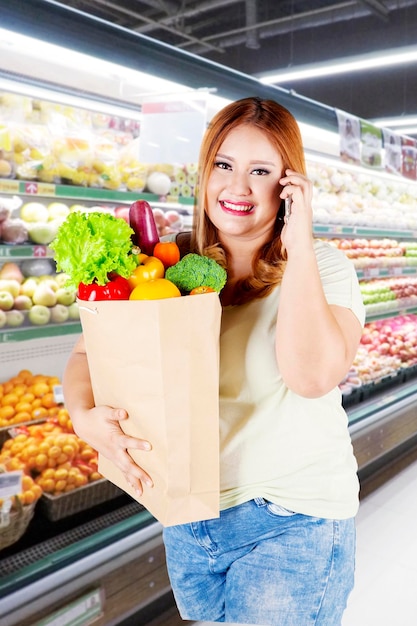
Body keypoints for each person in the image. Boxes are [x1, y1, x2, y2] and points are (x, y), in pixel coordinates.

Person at [63, 97, 365, 626]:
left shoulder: (323, 266)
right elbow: (90, 352)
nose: (238, 187)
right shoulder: (164, 261)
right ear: (205, 172)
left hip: (289, 517)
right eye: (224, 165)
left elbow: (312, 376)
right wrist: (84, 418)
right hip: (189, 514)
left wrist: (298, 244)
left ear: (289, 184)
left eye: (261, 171)